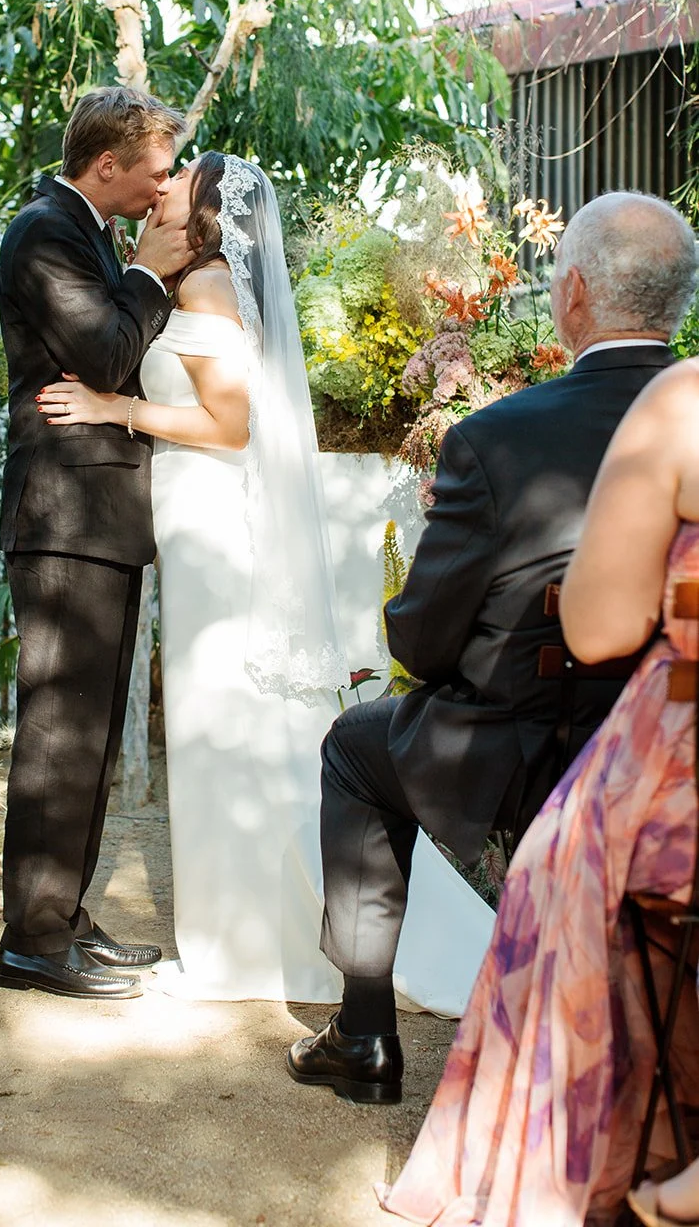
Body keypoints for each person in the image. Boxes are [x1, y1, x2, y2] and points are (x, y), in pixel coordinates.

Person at [40, 152, 493, 1006]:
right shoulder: (189, 283)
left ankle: (250, 944)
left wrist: (118, 409)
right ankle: (235, 933)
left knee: (226, 716)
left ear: (207, 209)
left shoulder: (208, 287)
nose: (158, 184)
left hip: (213, 520)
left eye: (176, 178)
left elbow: (230, 423)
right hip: (190, 517)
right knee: (216, 721)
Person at [289, 191, 694, 1104]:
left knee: (356, 747)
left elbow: (426, 647)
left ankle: (362, 1036)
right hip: (672, 759)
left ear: (574, 293)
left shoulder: (495, 436)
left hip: (537, 751)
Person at [380, 234, 699, 1226]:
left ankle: (363, 1031)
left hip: (647, 750)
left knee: (541, 865)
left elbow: (592, 629)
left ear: (569, 295)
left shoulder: (666, 410)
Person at [0, 86, 193, 1000]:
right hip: (65, 516)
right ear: (105, 164)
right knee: (57, 737)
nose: (164, 188)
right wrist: (150, 271)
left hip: (99, 519)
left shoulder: (87, 230)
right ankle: (32, 941)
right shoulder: (45, 231)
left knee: (94, 732)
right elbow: (105, 356)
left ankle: (65, 915)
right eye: (154, 170)